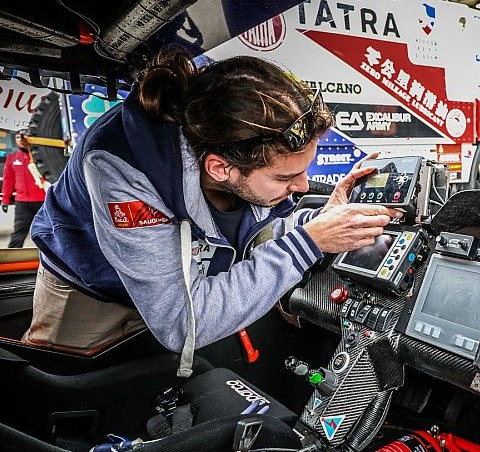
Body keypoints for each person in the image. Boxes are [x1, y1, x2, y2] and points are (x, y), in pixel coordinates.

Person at [24, 51, 400, 375]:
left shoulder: (233, 144)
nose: (302, 186)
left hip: (178, 290)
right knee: (68, 393)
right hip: (90, 293)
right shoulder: (123, 170)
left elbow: (258, 228)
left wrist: (322, 223)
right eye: (286, 177)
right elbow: (180, 324)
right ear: (220, 168)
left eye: (304, 171)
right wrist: (309, 243)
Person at [1, 131, 48, 248]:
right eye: (17, 137)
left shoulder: (42, 156)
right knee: (19, 232)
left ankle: (52, 257)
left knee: (48, 232)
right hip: (23, 203)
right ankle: (12, 257)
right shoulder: (12, 158)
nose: (20, 139)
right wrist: (5, 200)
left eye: (23, 137)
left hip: (43, 201)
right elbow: (8, 181)